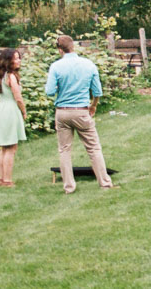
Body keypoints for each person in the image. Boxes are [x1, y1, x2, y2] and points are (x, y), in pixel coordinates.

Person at [45, 35, 115, 193]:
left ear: (59, 50)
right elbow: (97, 91)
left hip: (62, 112)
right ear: (73, 47)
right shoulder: (88, 64)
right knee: (93, 148)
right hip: (82, 111)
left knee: (64, 150)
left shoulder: (56, 66)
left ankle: (69, 186)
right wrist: (94, 105)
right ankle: (104, 182)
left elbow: (49, 91)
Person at [0, 49, 27, 187]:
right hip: (10, 110)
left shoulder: (0, 76)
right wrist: (24, 111)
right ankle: (7, 180)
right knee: (11, 147)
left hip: (1, 110)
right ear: (8, 61)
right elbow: (17, 97)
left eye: (19, 58)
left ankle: (1, 179)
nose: (19, 60)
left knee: (3, 148)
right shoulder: (11, 76)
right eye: (16, 58)